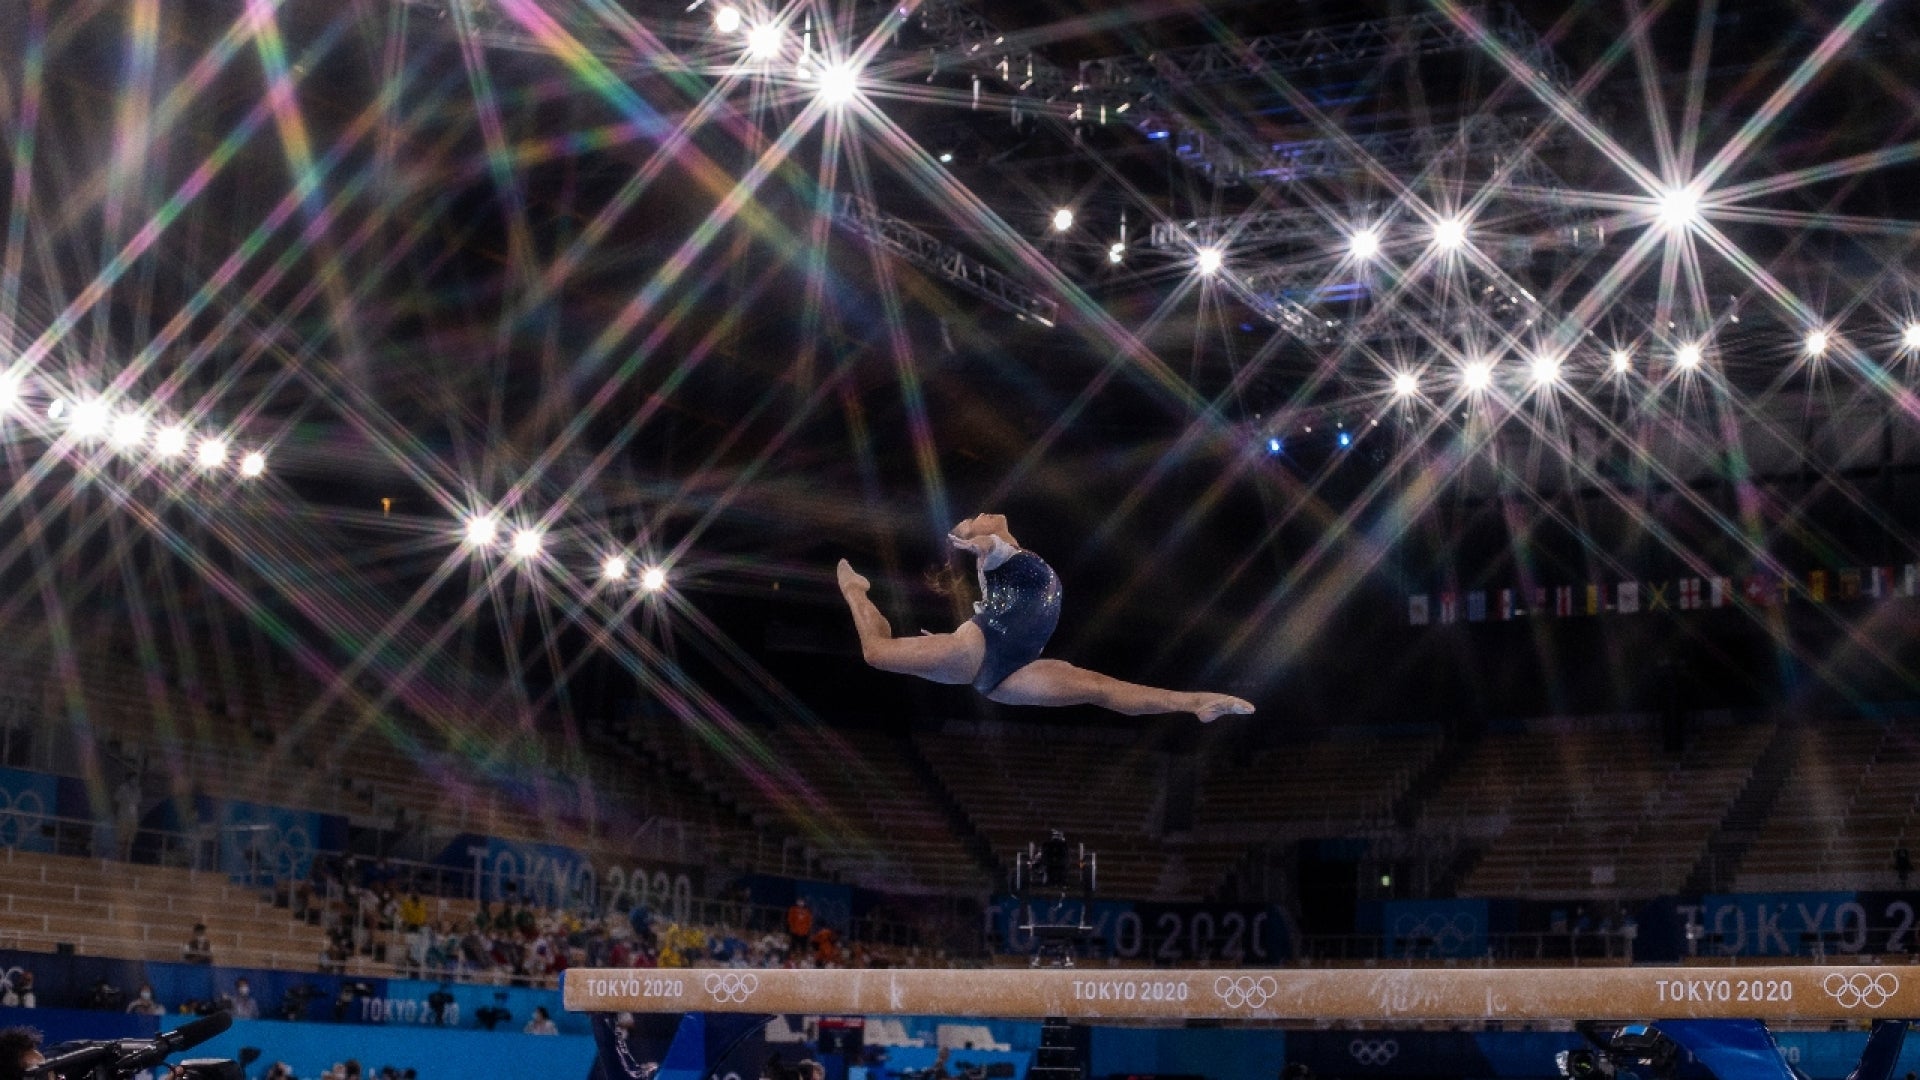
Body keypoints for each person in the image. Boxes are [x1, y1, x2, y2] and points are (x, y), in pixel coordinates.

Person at [837, 513, 1255, 722]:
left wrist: (974, 539)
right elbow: (987, 545)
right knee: (876, 653)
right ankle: (856, 590)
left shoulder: (1019, 554)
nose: (981, 513)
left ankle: (1195, 703)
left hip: (1011, 673)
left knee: (1099, 689)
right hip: (981, 646)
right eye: (971, 519)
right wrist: (974, 542)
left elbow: (992, 542)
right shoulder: (994, 555)